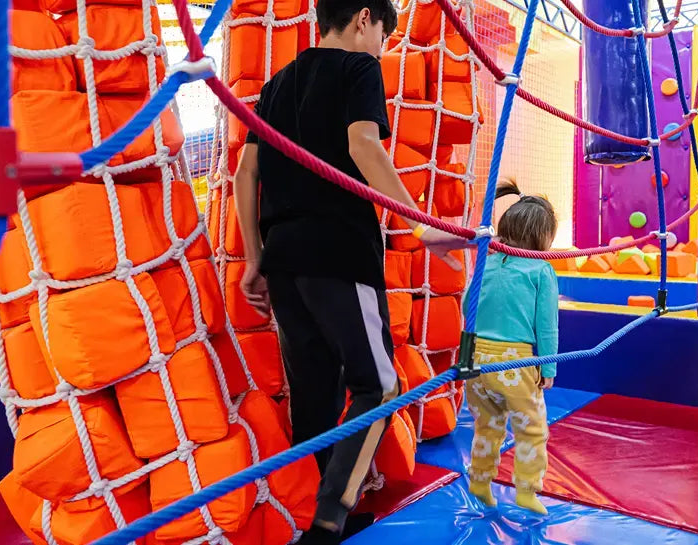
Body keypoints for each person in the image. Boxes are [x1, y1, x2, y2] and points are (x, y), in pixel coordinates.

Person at [232, 0, 468, 542]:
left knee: (313, 392)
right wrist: (422, 225)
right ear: (365, 19)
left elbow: (248, 174)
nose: (383, 47)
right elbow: (362, 145)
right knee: (380, 388)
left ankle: (310, 510)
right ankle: (328, 517)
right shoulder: (359, 67)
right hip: (338, 249)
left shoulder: (276, 83)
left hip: (285, 258)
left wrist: (254, 257)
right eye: (385, 34)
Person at [463, 178, 559, 515]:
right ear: (543, 238)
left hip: (476, 362)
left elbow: (467, 305)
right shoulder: (541, 269)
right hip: (513, 363)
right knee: (531, 427)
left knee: (487, 424)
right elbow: (546, 326)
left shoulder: (486, 260)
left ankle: (479, 479)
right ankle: (527, 490)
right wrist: (548, 367)